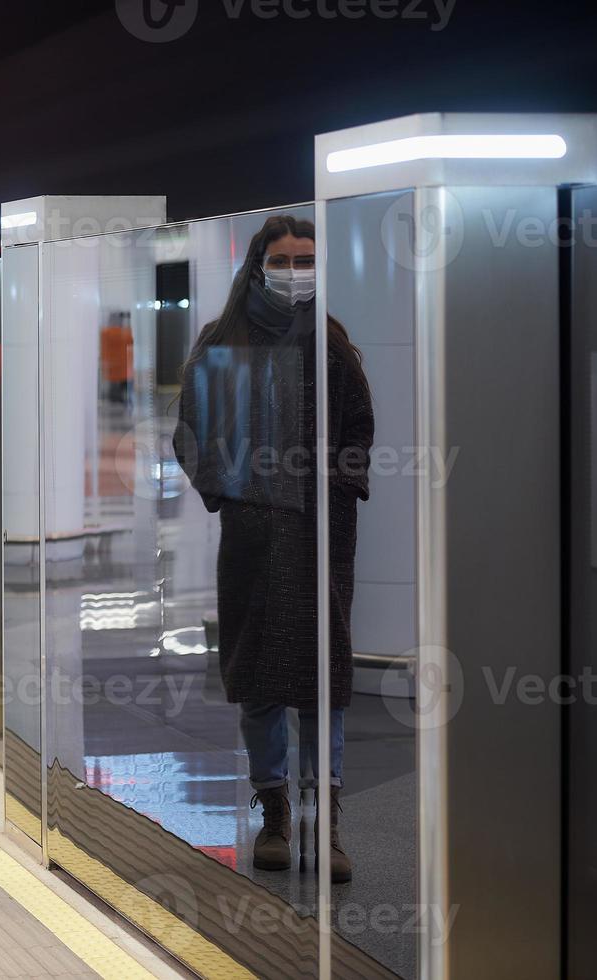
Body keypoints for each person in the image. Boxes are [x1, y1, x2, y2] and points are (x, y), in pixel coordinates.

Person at [171, 214, 373, 884]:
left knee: (325, 685)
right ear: (258, 264)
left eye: (306, 259)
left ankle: (327, 823)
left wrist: (336, 485)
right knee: (260, 682)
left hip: (323, 536)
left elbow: (360, 429)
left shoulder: (334, 344)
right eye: (282, 260)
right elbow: (190, 434)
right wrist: (231, 493)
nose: (295, 271)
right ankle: (277, 814)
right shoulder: (222, 341)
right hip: (255, 542)